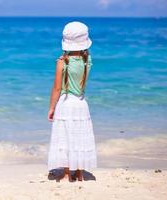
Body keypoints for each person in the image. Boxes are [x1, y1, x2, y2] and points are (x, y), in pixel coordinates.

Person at [47, 21, 97, 182]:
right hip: (81, 103)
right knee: (79, 137)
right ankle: (80, 173)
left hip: (66, 102)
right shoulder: (87, 60)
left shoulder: (62, 62)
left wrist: (51, 107)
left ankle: (68, 173)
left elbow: (56, 88)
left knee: (66, 137)